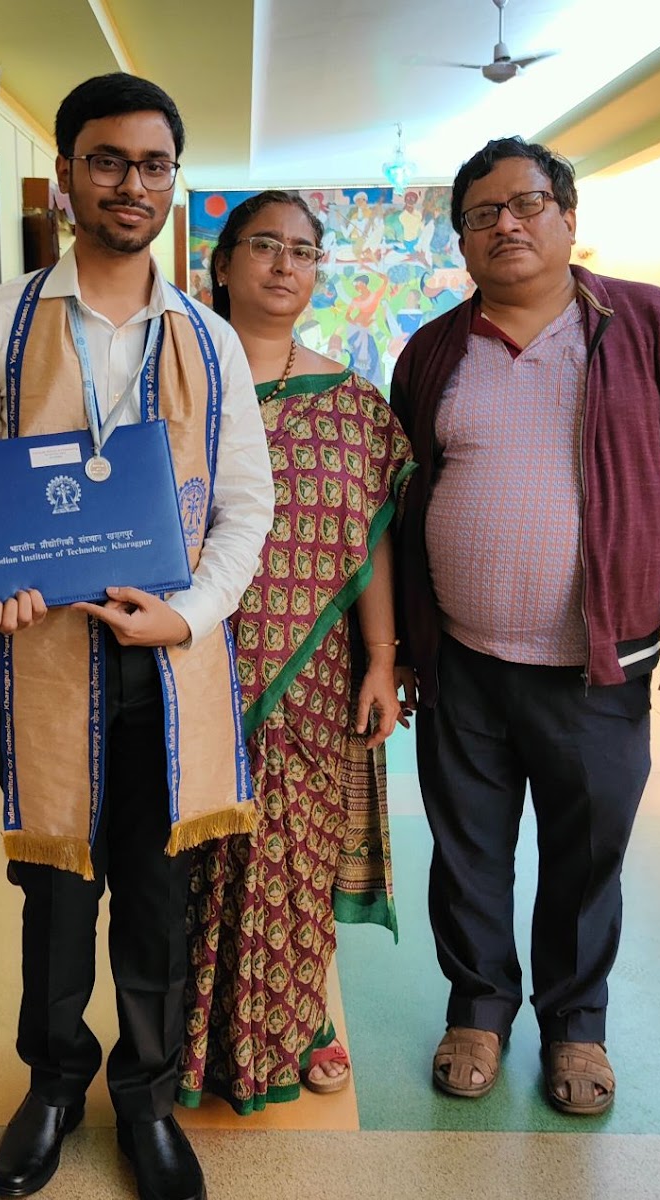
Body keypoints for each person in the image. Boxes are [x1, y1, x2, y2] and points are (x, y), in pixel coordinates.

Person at [0, 73, 273, 1200]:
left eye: (153, 164)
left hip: (169, 661)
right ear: (66, 174)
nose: (132, 183)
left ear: (173, 181)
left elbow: (246, 505)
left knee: (160, 897)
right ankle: (54, 1083)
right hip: (48, 654)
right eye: (108, 160)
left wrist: (191, 613)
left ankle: (146, 1099)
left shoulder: (210, 340)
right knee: (57, 892)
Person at [392, 137, 660, 1116]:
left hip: (598, 666)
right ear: (462, 239)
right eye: (480, 214)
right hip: (461, 660)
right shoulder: (433, 351)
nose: (504, 224)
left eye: (526, 204)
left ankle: (575, 1025)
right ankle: (477, 1010)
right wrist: (405, 643)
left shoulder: (645, 324)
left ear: (568, 217)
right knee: (466, 851)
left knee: (586, 855)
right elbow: (400, 502)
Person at [179, 191, 412, 1113]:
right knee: (191, 855)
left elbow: (372, 541)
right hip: (187, 660)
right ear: (223, 262)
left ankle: (295, 1019)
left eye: (304, 251)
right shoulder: (177, 385)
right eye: (264, 245)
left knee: (294, 856)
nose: (285, 265)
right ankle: (183, 1034)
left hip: (311, 677)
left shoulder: (353, 405)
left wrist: (382, 659)